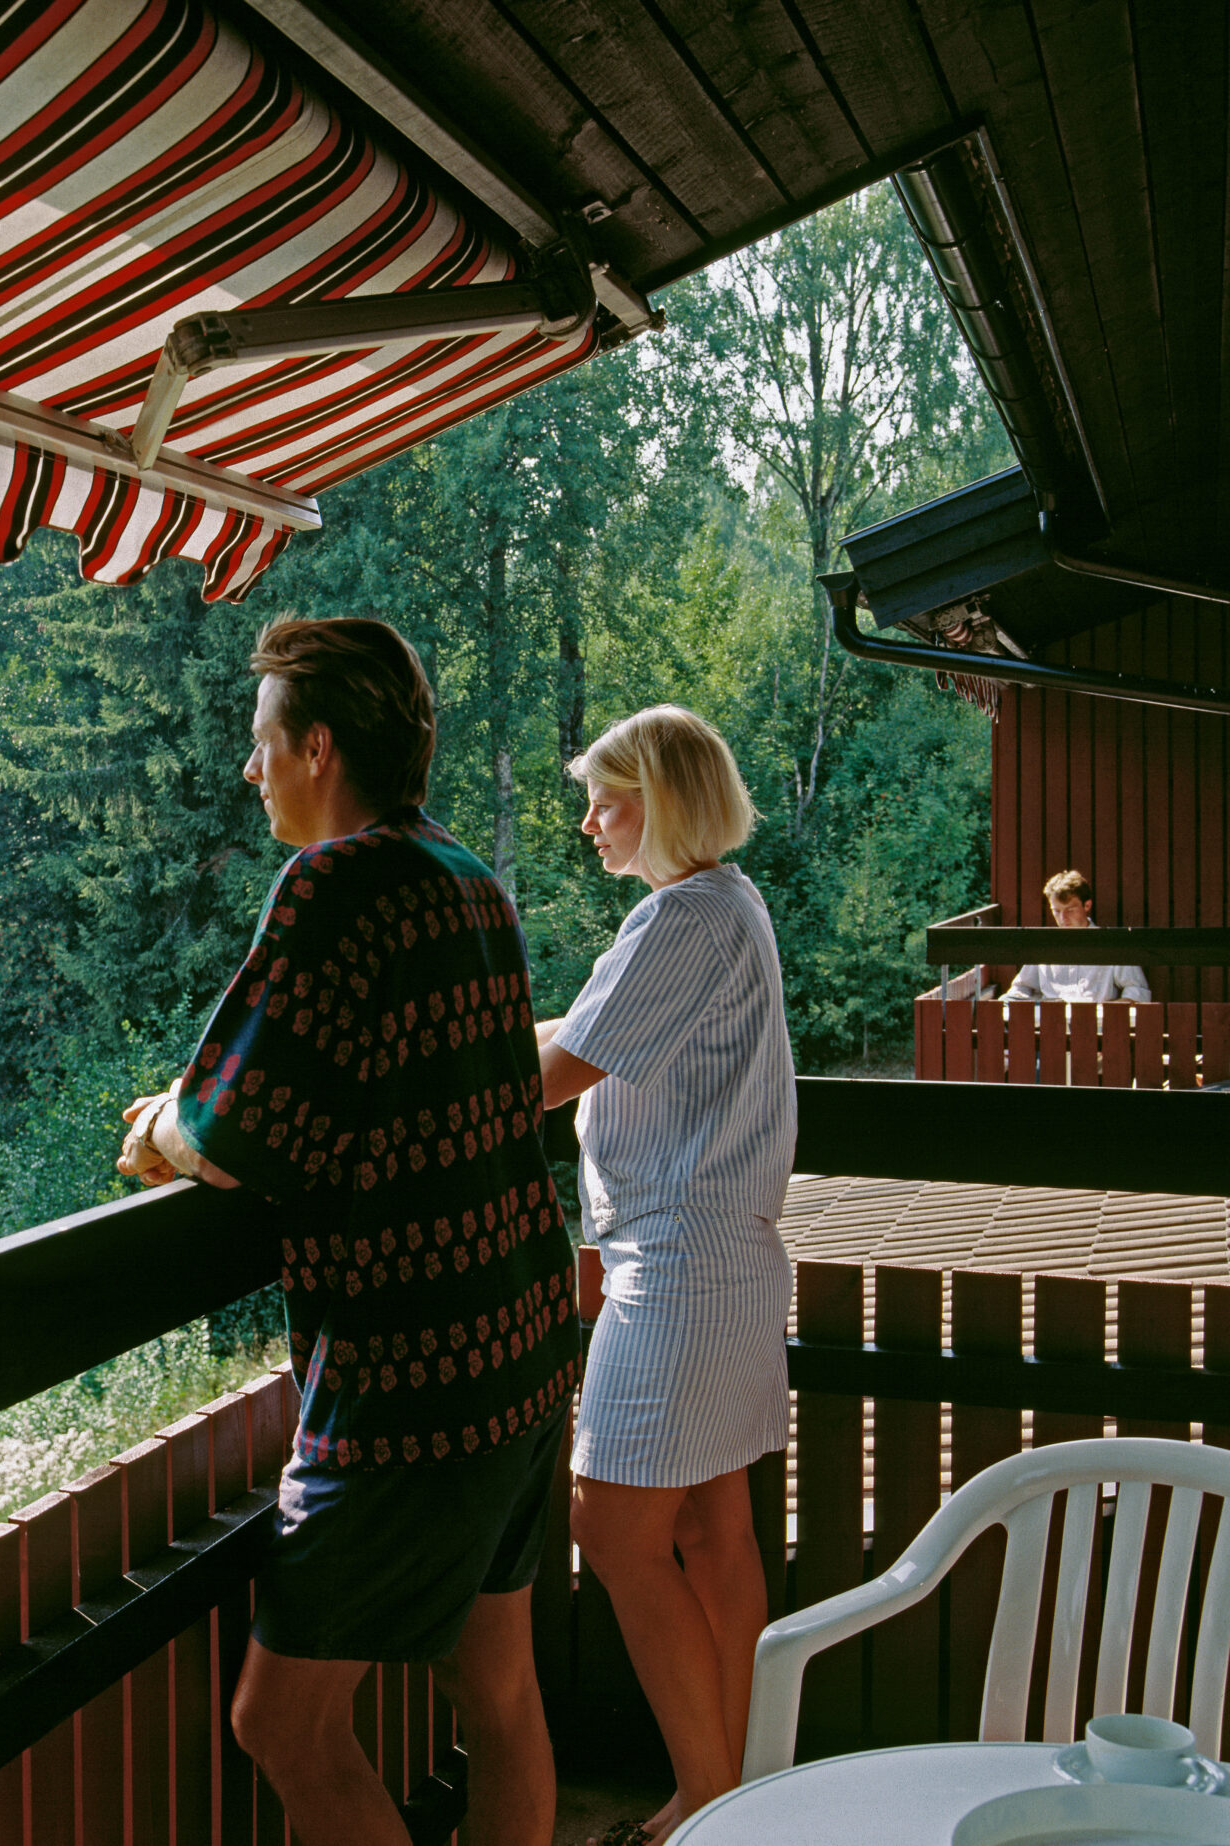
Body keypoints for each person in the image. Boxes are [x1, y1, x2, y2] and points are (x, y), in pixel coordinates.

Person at [115, 617, 581, 1846]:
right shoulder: (470, 882)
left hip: (410, 1386)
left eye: (261, 742)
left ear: (317, 746)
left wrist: (164, 1120)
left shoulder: (335, 884)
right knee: (501, 1693)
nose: (248, 770)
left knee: (282, 1721)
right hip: (522, 1349)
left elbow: (236, 1127)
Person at [536, 705, 794, 1845]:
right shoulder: (729, 908)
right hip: (729, 1261)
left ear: (664, 797)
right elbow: (583, 1028)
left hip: (679, 1266)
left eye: (606, 795)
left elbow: (551, 1070)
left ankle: (708, 1797)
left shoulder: (681, 918)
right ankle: (736, 1784)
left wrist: (412, 1064)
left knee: (614, 1526)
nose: (589, 822)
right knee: (710, 1530)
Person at [1004, 870, 1151, 1003]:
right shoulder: (1044, 945)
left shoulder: (1112, 943)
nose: (1063, 918)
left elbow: (1137, 991)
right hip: (1051, 1025)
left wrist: (1107, 1013)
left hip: (1098, 1027)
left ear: (1087, 905)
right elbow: (1021, 988)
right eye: (1056, 911)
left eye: (1070, 910)